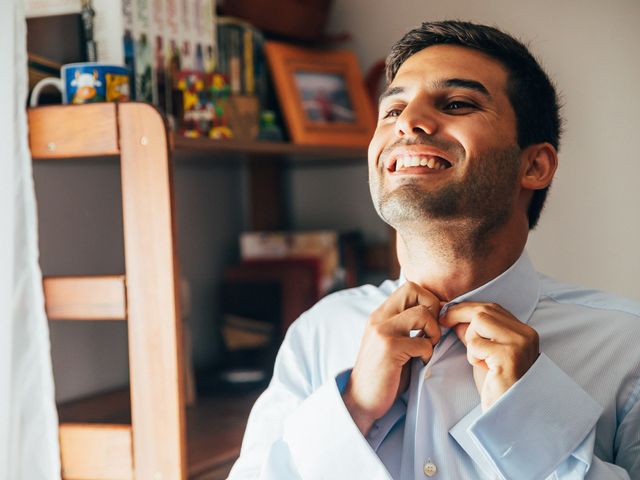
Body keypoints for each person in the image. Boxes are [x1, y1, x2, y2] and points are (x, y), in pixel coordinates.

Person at [228, 20, 640, 479]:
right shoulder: (318, 334)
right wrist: (354, 408)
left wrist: (531, 424)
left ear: (535, 165)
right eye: (392, 109)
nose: (407, 122)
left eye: (458, 103)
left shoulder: (627, 349)